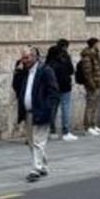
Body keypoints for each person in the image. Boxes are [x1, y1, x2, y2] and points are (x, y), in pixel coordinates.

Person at [12, 46, 59, 183]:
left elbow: (53, 92)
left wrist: (48, 108)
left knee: (38, 141)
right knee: (33, 142)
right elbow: (16, 87)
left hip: (41, 110)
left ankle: (36, 169)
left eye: (27, 57)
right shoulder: (25, 72)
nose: (24, 60)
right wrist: (17, 71)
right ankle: (43, 166)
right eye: (23, 58)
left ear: (35, 57)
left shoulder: (45, 71)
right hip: (28, 112)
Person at [46, 39, 76, 140]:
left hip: (53, 87)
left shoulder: (50, 57)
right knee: (65, 108)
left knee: (52, 109)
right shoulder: (65, 57)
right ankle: (65, 131)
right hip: (65, 86)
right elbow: (71, 70)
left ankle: (51, 130)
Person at [77, 38, 100, 135]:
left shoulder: (96, 54)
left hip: (98, 82)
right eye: (97, 43)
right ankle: (87, 126)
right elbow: (87, 72)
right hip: (92, 84)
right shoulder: (87, 56)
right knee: (90, 105)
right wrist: (91, 84)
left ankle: (93, 125)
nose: (99, 45)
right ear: (94, 44)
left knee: (95, 105)